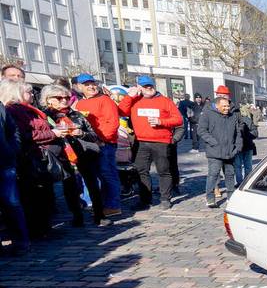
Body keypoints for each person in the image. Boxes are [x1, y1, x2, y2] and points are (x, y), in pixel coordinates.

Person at [41, 84, 104, 227]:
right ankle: (77, 215)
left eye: (67, 97)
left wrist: (81, 133)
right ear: (48, 99)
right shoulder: (43, 117)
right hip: (61, 156)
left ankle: (99, 215)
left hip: (83, 154)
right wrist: (55, 135)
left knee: (92, 184)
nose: (64, 100)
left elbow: (94, 136)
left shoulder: (76, 115)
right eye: (59, 97)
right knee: (69, 187)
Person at [118, 74, 183, 210]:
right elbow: (121, 111)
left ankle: (165, 198)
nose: (149, 88)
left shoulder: (165, 101)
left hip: (161, 142)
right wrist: (129, 96)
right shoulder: (134, 100)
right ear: (139, 88)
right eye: (145, 86)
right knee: (141, 171)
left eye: (151, 85)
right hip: (141, 142)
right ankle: (145, 200)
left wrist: (161, 122)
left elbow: (178, 119)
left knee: (164, 171)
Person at [1, 79, 55, 239]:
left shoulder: (21, 109)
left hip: (20, 157)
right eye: (28, 92)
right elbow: (25, 133)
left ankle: (33, 232)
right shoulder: (14, 109)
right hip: (23, 158)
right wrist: (52, 134)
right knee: (24, 198)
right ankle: (32, 231)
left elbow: (15, 133)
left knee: (29, 197)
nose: (32, 95)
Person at [75, 75, 123, 218]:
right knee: (94, 175)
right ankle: (99, 203)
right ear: (79, 87)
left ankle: (113, 206)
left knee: (107, 174)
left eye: (92, 83)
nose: (91, 87)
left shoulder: (105, 100)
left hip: (104, 144)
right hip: (89, 144)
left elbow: (113, 124)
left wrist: (102, 140)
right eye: (86, 84)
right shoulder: (80, 103)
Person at [196, 95, 240, 207]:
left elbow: (238, 133)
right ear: (217, 106)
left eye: (228, 106)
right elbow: (201, 130)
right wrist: (213, 142)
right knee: (213, 175)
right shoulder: (207, 114)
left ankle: (231, 198)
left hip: (230, 151)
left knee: (230, 175)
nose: (227, 108)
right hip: (214, 152)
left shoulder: (233, 116)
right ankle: (210, 199)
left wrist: (237, 146)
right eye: (224, 106)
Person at [0, 95, 30, 254]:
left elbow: (12, 129)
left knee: (11, 203)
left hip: (4, 161)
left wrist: (13, 148)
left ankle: (21, 240)